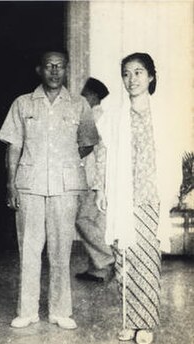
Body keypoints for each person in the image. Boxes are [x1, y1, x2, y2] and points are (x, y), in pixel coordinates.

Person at [0, 49, 99, 330]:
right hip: (29, 186)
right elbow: (13, 146)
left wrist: (65, 160)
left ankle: (60, 311)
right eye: (49, 66)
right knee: (28, 250)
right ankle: (27, 311)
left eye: (60, 66)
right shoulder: (23, 103)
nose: (55, 71)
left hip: (65, 188)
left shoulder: (79, 104)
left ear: (67, 70)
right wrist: (10, 184)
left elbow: (88, 141)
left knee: (61, 251)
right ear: (39, 70)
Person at [94, 53, 162, 344]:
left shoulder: (162, 114)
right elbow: (103, 154)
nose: (132, 79)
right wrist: (101, 189)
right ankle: (128, 321)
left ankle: (145, 323)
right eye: (126, 73)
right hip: (122, 195)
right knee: (124, 258)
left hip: (149, 195)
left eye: (138, 72)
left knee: (146, 259)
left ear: (150, 77)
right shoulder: (113, 117)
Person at [75, 77, 115, 282]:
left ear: (92, 96)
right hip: (97, 179)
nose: (82, 97)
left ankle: (108, 259)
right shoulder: (96, 116)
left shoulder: (96, 118)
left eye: (84, 94)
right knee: (97, 224)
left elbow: (99, 152)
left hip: (94, 180)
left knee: (82, 219)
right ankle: (97, 270)